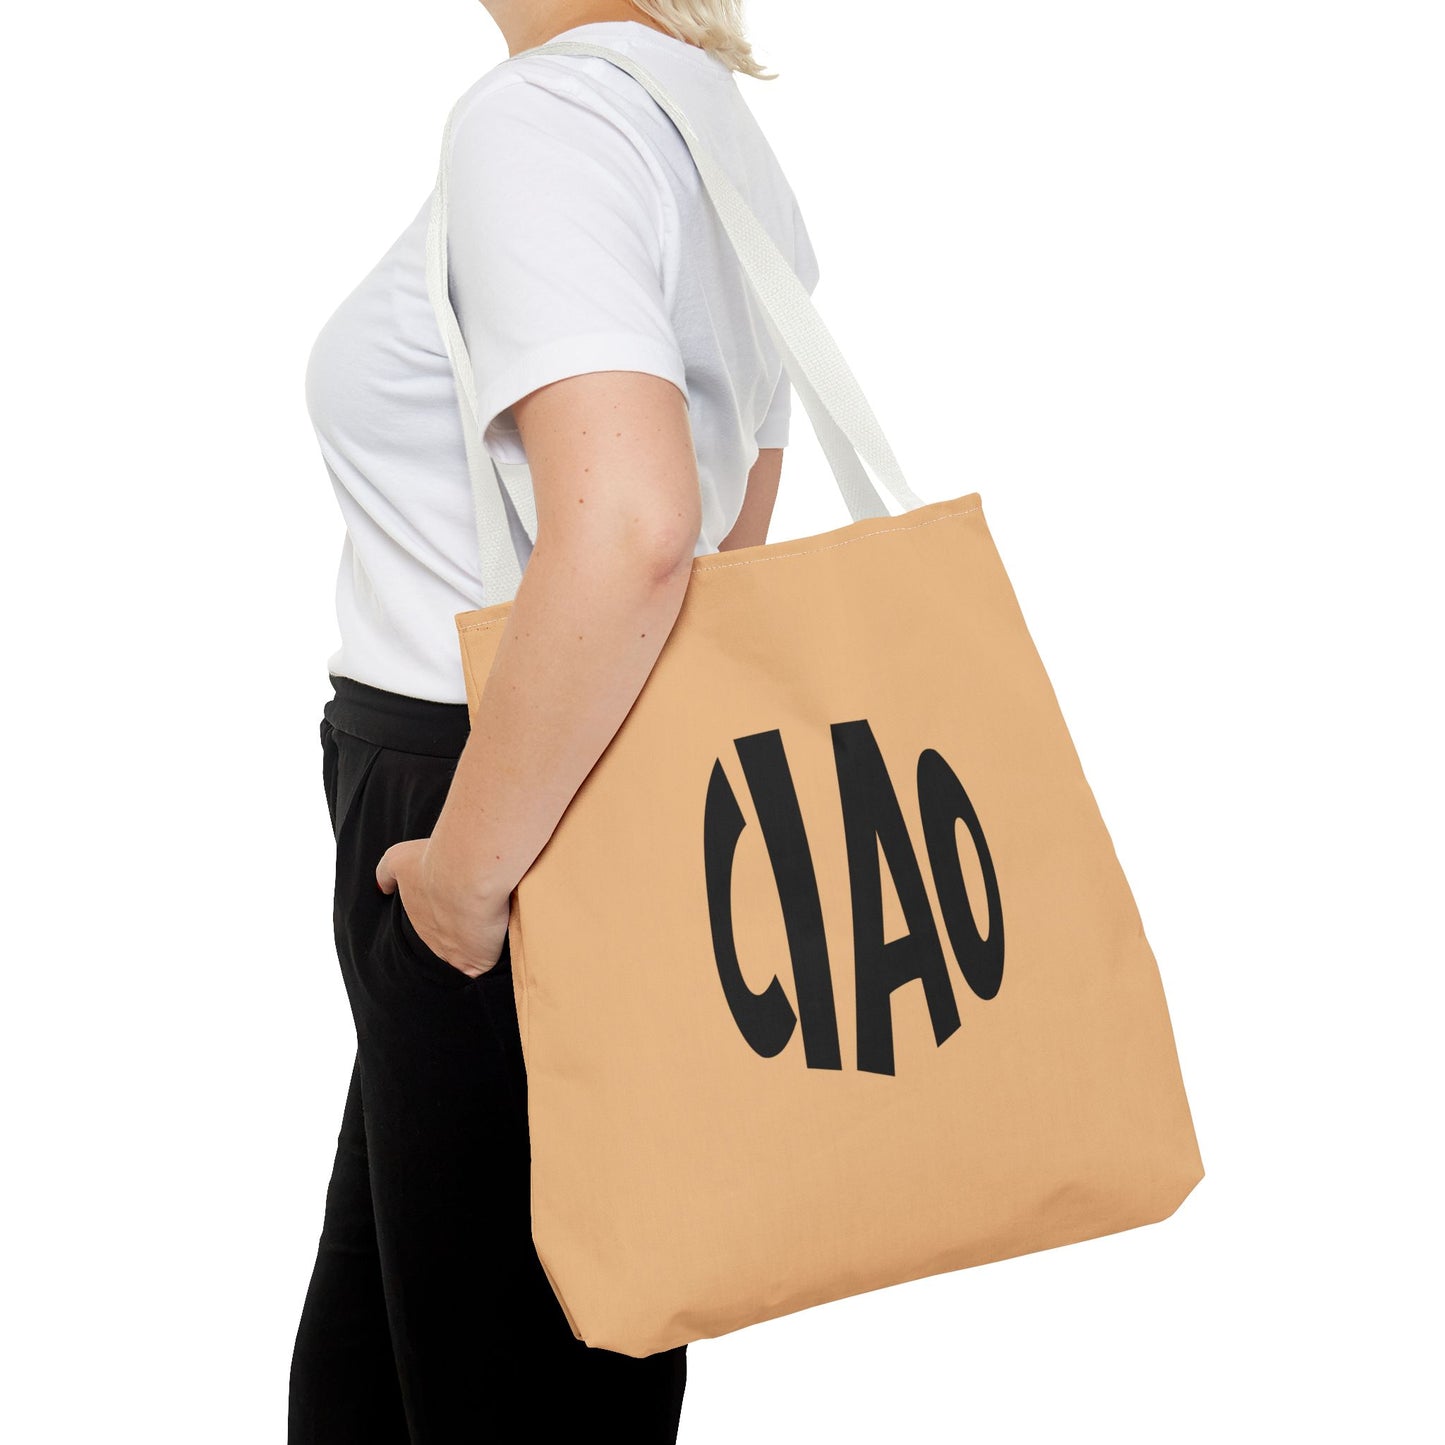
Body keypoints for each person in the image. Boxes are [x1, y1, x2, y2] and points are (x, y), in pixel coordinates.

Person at [287, 2, 819, 1440]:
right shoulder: (705, 130)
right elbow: (732, 545)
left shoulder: (542, 125)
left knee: (486, 1390)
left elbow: (641, 528)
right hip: (602, 788)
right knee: (423, 1375)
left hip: (489, 813)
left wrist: (463, 887)